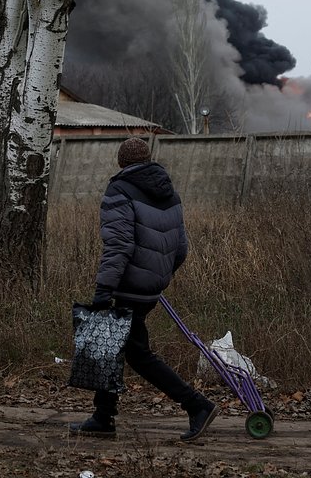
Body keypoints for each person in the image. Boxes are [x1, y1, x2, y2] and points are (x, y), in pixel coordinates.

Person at [69, 137, 218, 442]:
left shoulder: (119, 190)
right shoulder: (169, 193)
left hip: (127, 286)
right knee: (113, 347)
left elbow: (118, 245)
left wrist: (103, 289)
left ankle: (197, 405)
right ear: (148, 160)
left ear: (121, 163)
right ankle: (103, 417)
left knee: (137, 354)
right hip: (151, 287)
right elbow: (181, 249)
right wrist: (158, 277)